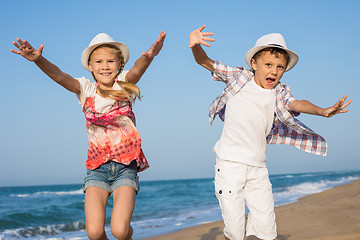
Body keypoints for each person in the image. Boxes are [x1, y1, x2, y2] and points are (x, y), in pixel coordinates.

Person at [189, 25, 351, 240]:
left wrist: (322, 111)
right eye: (268, 65)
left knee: (267, 228)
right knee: (235, 230)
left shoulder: (280, 92)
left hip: (258, 169)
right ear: (254, 64)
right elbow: (205, 62)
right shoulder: (239, 77)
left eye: (280, 67)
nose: (274, 71)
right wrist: (195, 45)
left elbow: (298, 103)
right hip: (229, 165)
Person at [11, 31, 166, 240]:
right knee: (94, 233)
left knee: (120, 231)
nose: (105, 66)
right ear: (91, 67)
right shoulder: (85, 89)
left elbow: (137, 70)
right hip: (96, 168)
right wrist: (39, 60)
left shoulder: (123, 84)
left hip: (125, 167)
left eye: (111, 61)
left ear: (119, 64)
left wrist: (149, 56)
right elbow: (60, 76)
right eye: (99, 61)